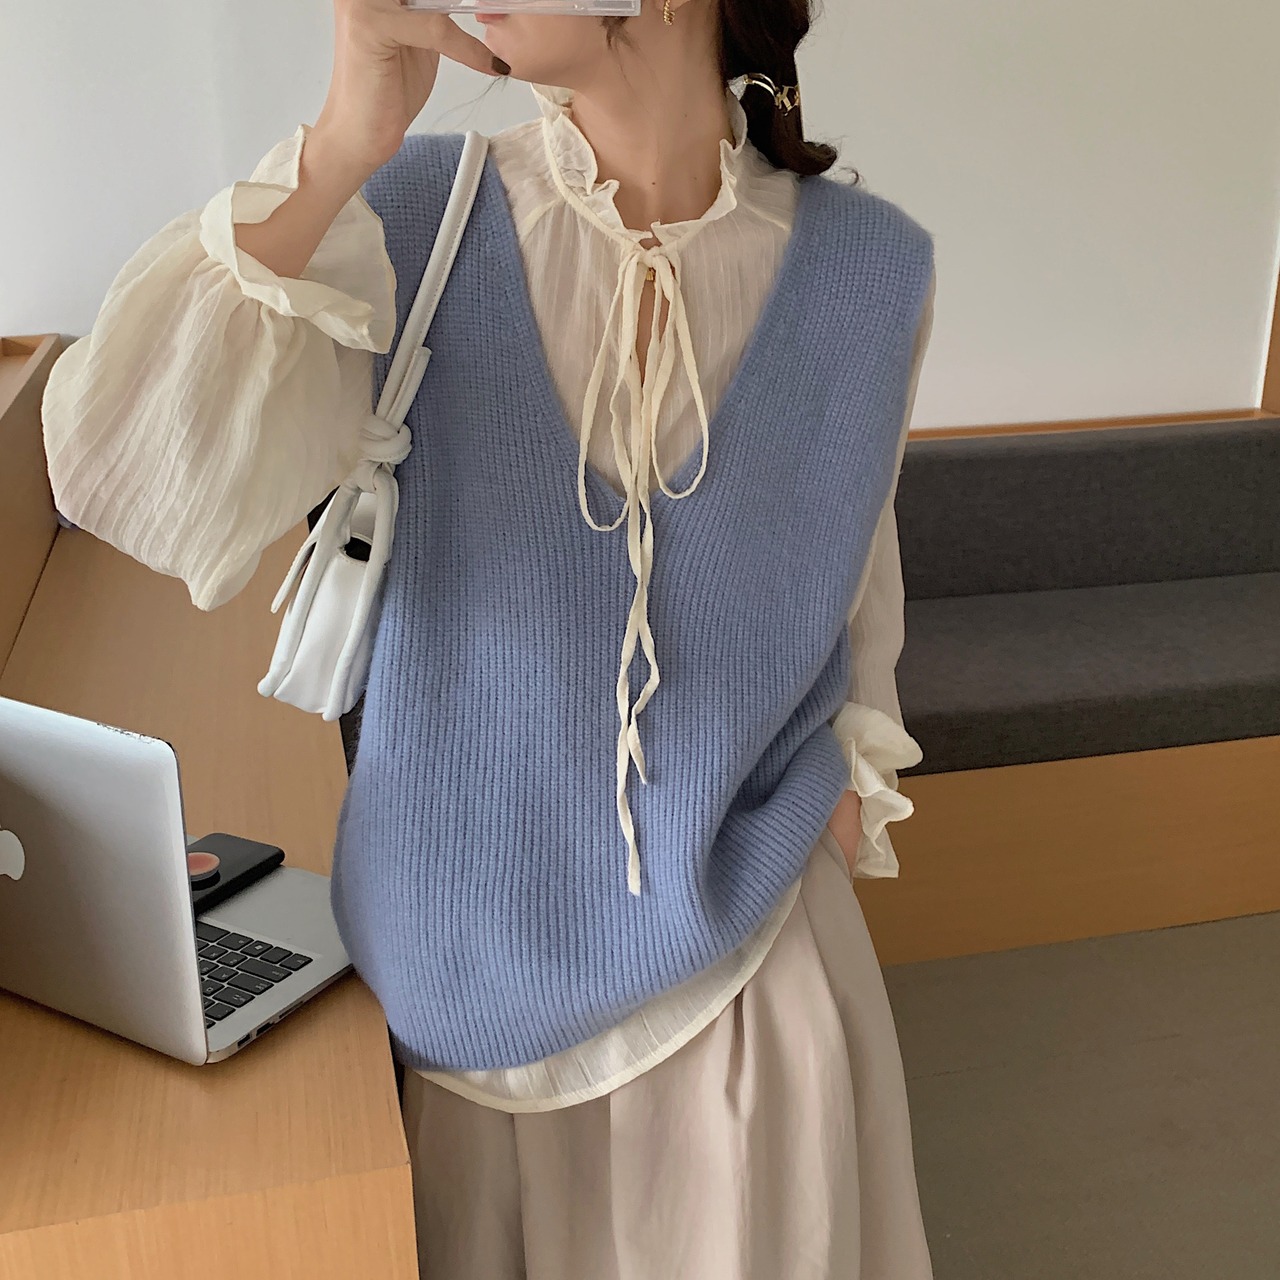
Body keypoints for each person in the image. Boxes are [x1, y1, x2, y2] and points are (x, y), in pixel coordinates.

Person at [41, 0, 938, 1274]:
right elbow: (120, 472)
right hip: (459, 999)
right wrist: (337, 150)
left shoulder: (870, 270)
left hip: (746, 1006)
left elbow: (855, 598)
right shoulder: (411, 216)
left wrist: (829, 822)